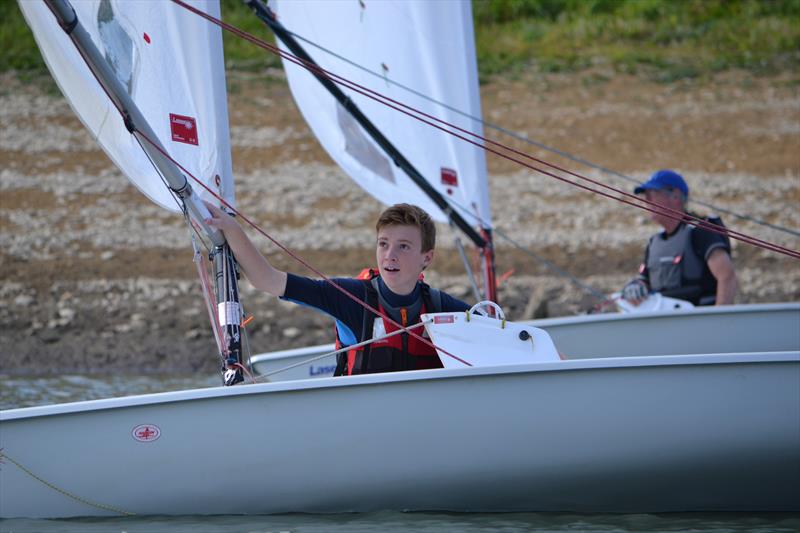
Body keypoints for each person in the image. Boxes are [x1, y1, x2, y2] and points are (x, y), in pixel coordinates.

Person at [205, 202, 470, 375]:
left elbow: (499, 332)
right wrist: (230, 227)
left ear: (427, 258)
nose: (390, 255)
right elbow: (267, 280)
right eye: (383, 244)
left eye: (403, 246)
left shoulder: (441, 308)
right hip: (362, 424)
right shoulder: (351, 297)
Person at [621, 169, 737, 306]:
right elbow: (644, 279)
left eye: (652, 194)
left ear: (675, 196)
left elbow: (727, 276)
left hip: (699, 319)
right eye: (645, 196)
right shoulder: (654, 243)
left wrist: (718, 322)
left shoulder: (701, 231)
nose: (647, 201)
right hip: (665, 321)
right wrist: (636, 286)